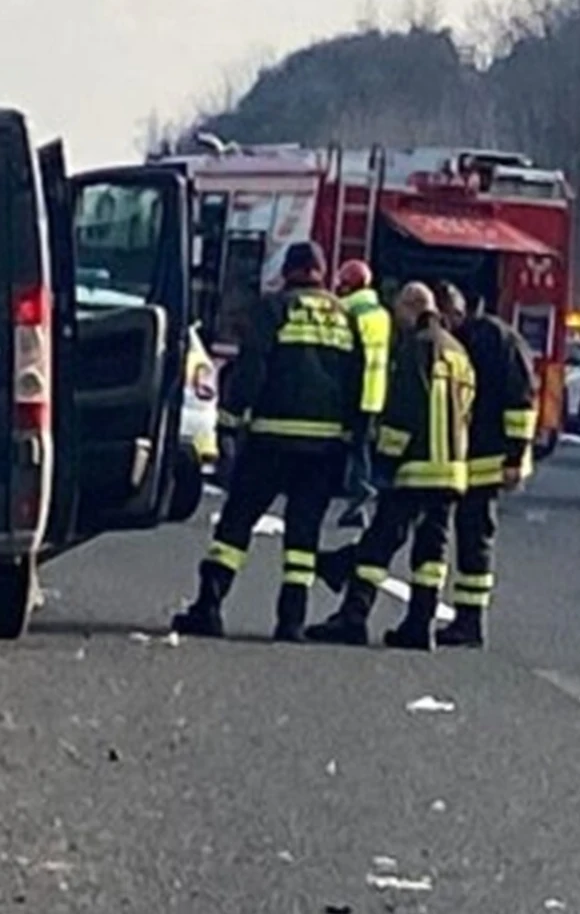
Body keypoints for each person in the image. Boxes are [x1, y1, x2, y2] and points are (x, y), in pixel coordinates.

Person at [171, 241, 360, 641]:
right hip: (324, 447)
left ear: (289, 271)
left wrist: (228, 422)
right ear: (322, 273)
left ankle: (209, 607)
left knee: (236, 525)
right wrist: (350, 437)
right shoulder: (345, 317)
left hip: (272, 439)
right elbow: (356, 380)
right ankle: (291, 622)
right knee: (303, 538)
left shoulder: (273, 309)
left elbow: (252, 369)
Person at [305, 281, 476, 651]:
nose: (397, 322)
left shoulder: (417, 348)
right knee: (431, 553)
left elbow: (404, 407)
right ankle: (420, 625)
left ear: (413, 307)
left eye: (399, 313)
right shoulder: (458, 351)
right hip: (452, 470)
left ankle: (353, 616)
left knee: (378, 544)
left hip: (416, 467)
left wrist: (384, 458)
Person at [431, 282, 538, 648]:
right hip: (469, 456)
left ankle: (471, 621)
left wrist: (514, 457)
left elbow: (521, 402)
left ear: (453, 313)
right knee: (464, 534)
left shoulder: (495, 340)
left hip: (489, 459)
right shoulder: (472, 339)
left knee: (474, 537)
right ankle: (465, 619)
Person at [334, 258, 392, 529]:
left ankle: (360, 491)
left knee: (353, 448)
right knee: (361, 446)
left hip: (353, 390)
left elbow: (348, 357)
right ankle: (356, 504)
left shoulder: (347, 312)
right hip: (375, 392)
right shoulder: (381, 314)